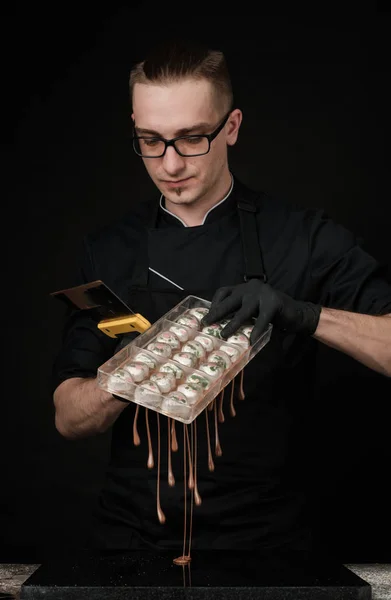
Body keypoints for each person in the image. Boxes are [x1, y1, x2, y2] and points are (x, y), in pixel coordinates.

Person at [52, 38, 391, 561]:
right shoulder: (109, 251)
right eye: (150, 140)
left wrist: (303, 314)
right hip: (132, 545)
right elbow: (67, 417)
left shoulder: (302, 237)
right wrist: (135, 372)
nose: (170, 163)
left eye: (191, 139)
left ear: (230, 127)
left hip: (269, 545)